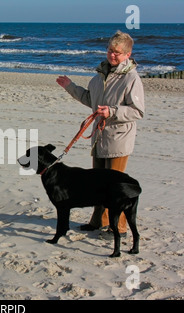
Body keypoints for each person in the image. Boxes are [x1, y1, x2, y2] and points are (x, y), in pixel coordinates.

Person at [56, 30, 145, 238]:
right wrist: (70, 87)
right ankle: (98, 221)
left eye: (117, 52)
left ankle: (120, 228)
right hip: (99, 139)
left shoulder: (131, 78)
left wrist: (112, 112)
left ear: (128, 54)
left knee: (117, 188)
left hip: (118, 140)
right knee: (96, 184)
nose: (112, 55)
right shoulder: (98, 77)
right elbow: (90, 100)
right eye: (110, 50)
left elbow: (138, 111)